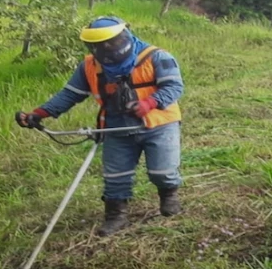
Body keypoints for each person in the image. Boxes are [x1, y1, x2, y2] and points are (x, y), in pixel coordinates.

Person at [16, 16, 184, 237]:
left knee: (162, 171)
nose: (105, 49)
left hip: (159, 124)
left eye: (109, 43)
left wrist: (149, 102)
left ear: (124, 36)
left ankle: (169, 196)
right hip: (115, 127)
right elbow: (70, 94)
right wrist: (39, 113)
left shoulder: (156, 57)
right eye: (98, 45)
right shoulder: (89, 66)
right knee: (115, 177)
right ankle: (116, 216)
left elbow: (174, 87)